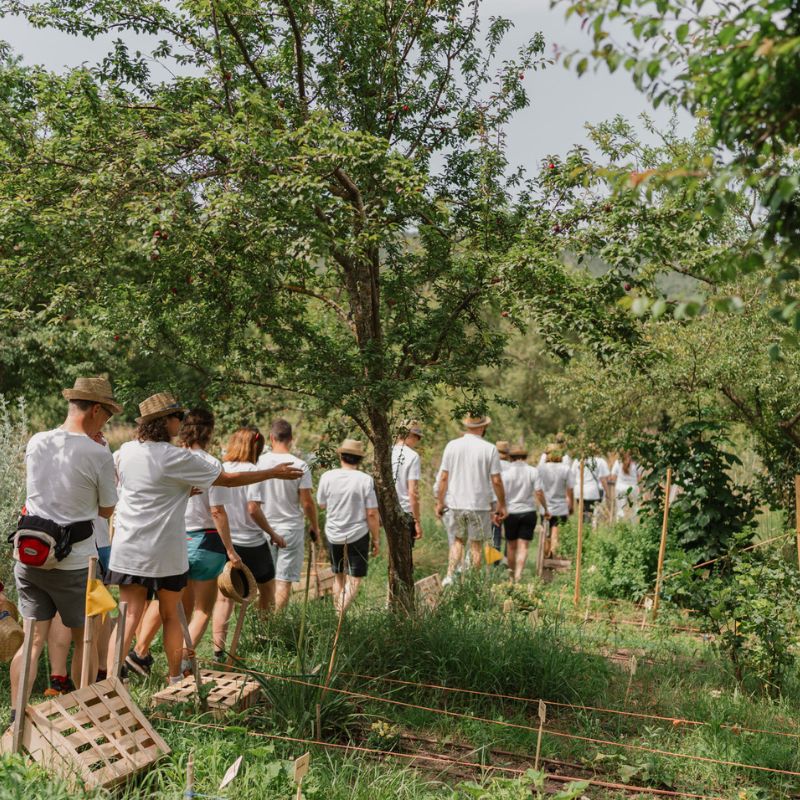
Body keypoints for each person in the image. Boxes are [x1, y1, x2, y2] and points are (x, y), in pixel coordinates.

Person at [106, 395, 302, 685]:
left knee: (129, 614)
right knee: (171, 613)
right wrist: (272, 472)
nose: (180, 422)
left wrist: (178, 493)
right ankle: (174, 680)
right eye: (177, 417)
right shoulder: (176, 457)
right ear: (166, 421)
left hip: (128, 547)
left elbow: (131, 488)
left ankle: (108, 680)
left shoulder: (124, 452)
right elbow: (228, 479)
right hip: (164, 550)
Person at [10, 377, 121, 717]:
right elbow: (106, 509)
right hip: (74, 563)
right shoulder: (98, 452)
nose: (106, 424)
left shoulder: (38, 441)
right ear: (96, 410)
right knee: (85, 642)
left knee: (32, 642)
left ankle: (16, 716)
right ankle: (86, 716)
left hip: (30, 557)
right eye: (107, 417)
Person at [125, 409, 243, 677]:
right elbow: (217, 511)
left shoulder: (171, 459)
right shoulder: (209, 464)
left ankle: (139, 652)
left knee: (168, 603)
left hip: (176, 538)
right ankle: (184, 664)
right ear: (209, 432)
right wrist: (230, 550)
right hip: (207, 540)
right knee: (201, 609)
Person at [212, 427, 289, 656]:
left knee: (225, 597)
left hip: (226, 541)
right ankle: (264, 637)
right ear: (256, 447)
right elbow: (253, 508)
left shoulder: (221, 469)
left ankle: (218, 649)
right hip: (252, 543)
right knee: (267, 591)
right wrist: (273, 533)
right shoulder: (255, 471)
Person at [256, 419, 319, 612]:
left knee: (264, 581)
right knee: (284, 580)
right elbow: (307, 502)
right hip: (290, 528)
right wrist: (314, 526)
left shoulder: (259, 463)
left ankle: (263, 624)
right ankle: (276, 625)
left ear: (271, 438)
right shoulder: (300, 465)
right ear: (290, 439)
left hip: (263, 527)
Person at [435, 415, 506, 585]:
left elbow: (443, 477)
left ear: (467, 426)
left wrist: (440, 501)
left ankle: (450, 576)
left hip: (456, 503)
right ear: (483, 427)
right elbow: (496, 480)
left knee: (458, 541)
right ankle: (472, 583)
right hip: (479, 505)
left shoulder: (452, 446)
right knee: (476, 545)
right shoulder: (489, 449)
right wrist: (501, 504)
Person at [316, 439, 380, 614]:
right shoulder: (365, 480)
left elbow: (321, 504)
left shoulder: (327, 477)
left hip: (333, 533)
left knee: (338, 577)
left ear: (341, 456)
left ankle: (337, 617)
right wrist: (376, 539)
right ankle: (339, 615)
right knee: (355, 579)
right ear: (359, 459)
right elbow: (372, 513)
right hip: (358, 534)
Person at [502, 444, 542, 581]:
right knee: (523, 546)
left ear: (510, 457)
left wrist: (500, 508)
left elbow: (501, 494)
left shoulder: (505, 473)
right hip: (528, 511)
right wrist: (546, 508)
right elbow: (538, 492)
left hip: (510, 512)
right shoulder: (533, 471)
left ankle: (512, 575)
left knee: (511, 546)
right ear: (525, 456)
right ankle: (519, 575)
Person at [392, 420, 424, 555]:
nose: (417, 441)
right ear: (410, 435)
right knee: (405, 556)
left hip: (387, 509)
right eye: (417, 437)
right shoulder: (412, 456)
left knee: (393, 552)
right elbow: (412, 491)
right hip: (405, 511)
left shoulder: (387, 452)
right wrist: (417, 521)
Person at [537, 444, 575, 558]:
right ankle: (554, 558)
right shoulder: (565, 468)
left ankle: (545, 558)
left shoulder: (541, 468)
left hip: (545, 507)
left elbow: (538, 489)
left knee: (545, 533)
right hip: (561, 507)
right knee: (556, 534)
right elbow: (570, 489)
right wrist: (571, 505)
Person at [572, 445, 611, 527]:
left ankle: (583, 529)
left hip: (579, 491)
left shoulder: (577, 460)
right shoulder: (599, 461)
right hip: (592, 492)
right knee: (592, 513)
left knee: (582, 513)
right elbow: (603, 479)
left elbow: (572, 475)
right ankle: (589, 530)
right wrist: (608, 493)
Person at [491, 441, 511, 556]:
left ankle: (494, 563)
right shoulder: (511, 467)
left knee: (494, 533)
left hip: (493, 502)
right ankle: (508, 559)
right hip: (509, 503)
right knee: (509, 533)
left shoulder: (492, 465)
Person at [611, 451, 642, 520]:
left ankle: (619, 525)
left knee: (620, 509)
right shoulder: (636, 463)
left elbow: (613, 476)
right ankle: (634, 527)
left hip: (620, 487)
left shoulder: (618, 462)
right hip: (633, 488)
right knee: (635, 508)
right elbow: (639, 477)